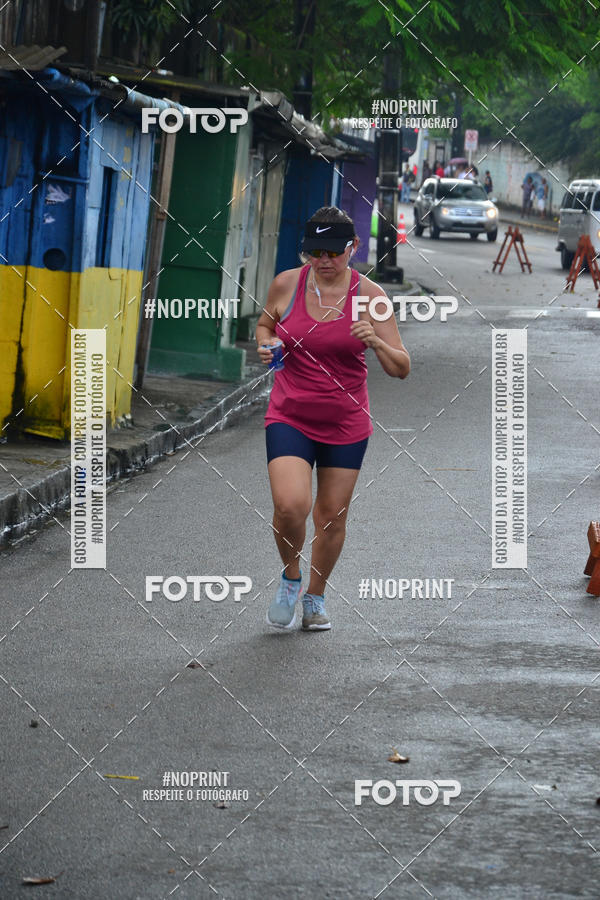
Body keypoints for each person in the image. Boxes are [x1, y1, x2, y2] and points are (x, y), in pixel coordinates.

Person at [255, 207, 410, 632]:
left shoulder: (371, 297)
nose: (323, 261)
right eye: (315, 252)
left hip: (345, 423)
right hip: (289, 414)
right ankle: (291, 577)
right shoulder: (287, 283)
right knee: (290, 506)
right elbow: (265, 325)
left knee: (331, 517)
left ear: (353, 247)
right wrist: (267, 344)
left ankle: (315, 597)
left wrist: (376, 341)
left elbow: (401, 367)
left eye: (333, 252)